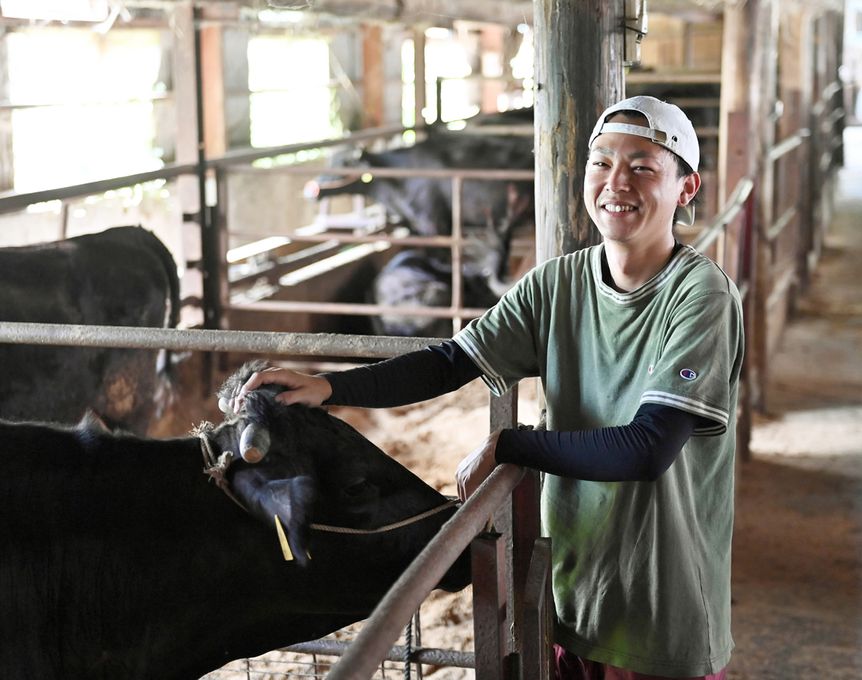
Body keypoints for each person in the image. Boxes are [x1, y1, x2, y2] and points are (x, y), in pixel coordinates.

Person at [233, 95, 744, 680]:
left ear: (685, 188)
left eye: (643, 167)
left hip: (660, 604)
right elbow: (452, 360)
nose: (615, 181)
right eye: (601, 163)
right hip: (573, 588)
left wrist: (510, 446)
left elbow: (647, 449)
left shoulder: (700, 297)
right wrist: (329, 387)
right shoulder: (559, 283)